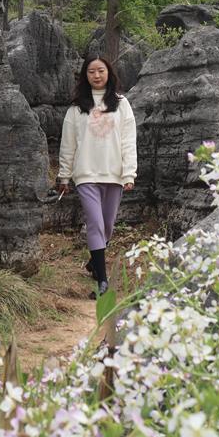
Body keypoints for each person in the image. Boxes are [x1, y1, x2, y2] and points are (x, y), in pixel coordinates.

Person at [57, 56, 137, 298]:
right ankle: (102, 281)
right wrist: (64, 176)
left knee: (108, 226)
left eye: (100, 71)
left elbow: (128, 141)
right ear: (85, 76)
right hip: (86, 174)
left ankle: (95, 261)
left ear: (108, 73)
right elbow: (68, 145)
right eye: (91, 71)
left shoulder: (122, 104)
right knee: (95, 223)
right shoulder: (75, 108)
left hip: (114, 173)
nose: (96, 75)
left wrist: (129, 172)